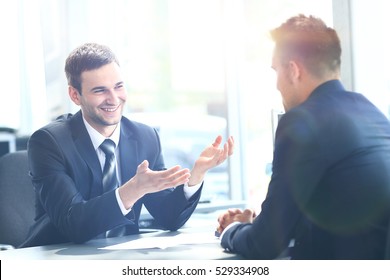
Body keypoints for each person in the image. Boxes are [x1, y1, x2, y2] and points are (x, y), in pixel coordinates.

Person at [20, 42, 234, 248]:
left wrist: (196, 175)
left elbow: (169, 218)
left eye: (119, 86)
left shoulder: (144, 137)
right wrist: (133, 190)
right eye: (100, 90)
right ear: (75, 95)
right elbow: (73, 223)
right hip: (55, 261)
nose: (113, 99)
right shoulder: (49, 142)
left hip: (122, 260)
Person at [217, 14, 390, 259]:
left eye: (276, 70)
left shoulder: (302, 121)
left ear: (293, 70)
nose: (277, 84)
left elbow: (265, 245)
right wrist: (259, 224)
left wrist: (231, 231)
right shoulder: (372, 114)